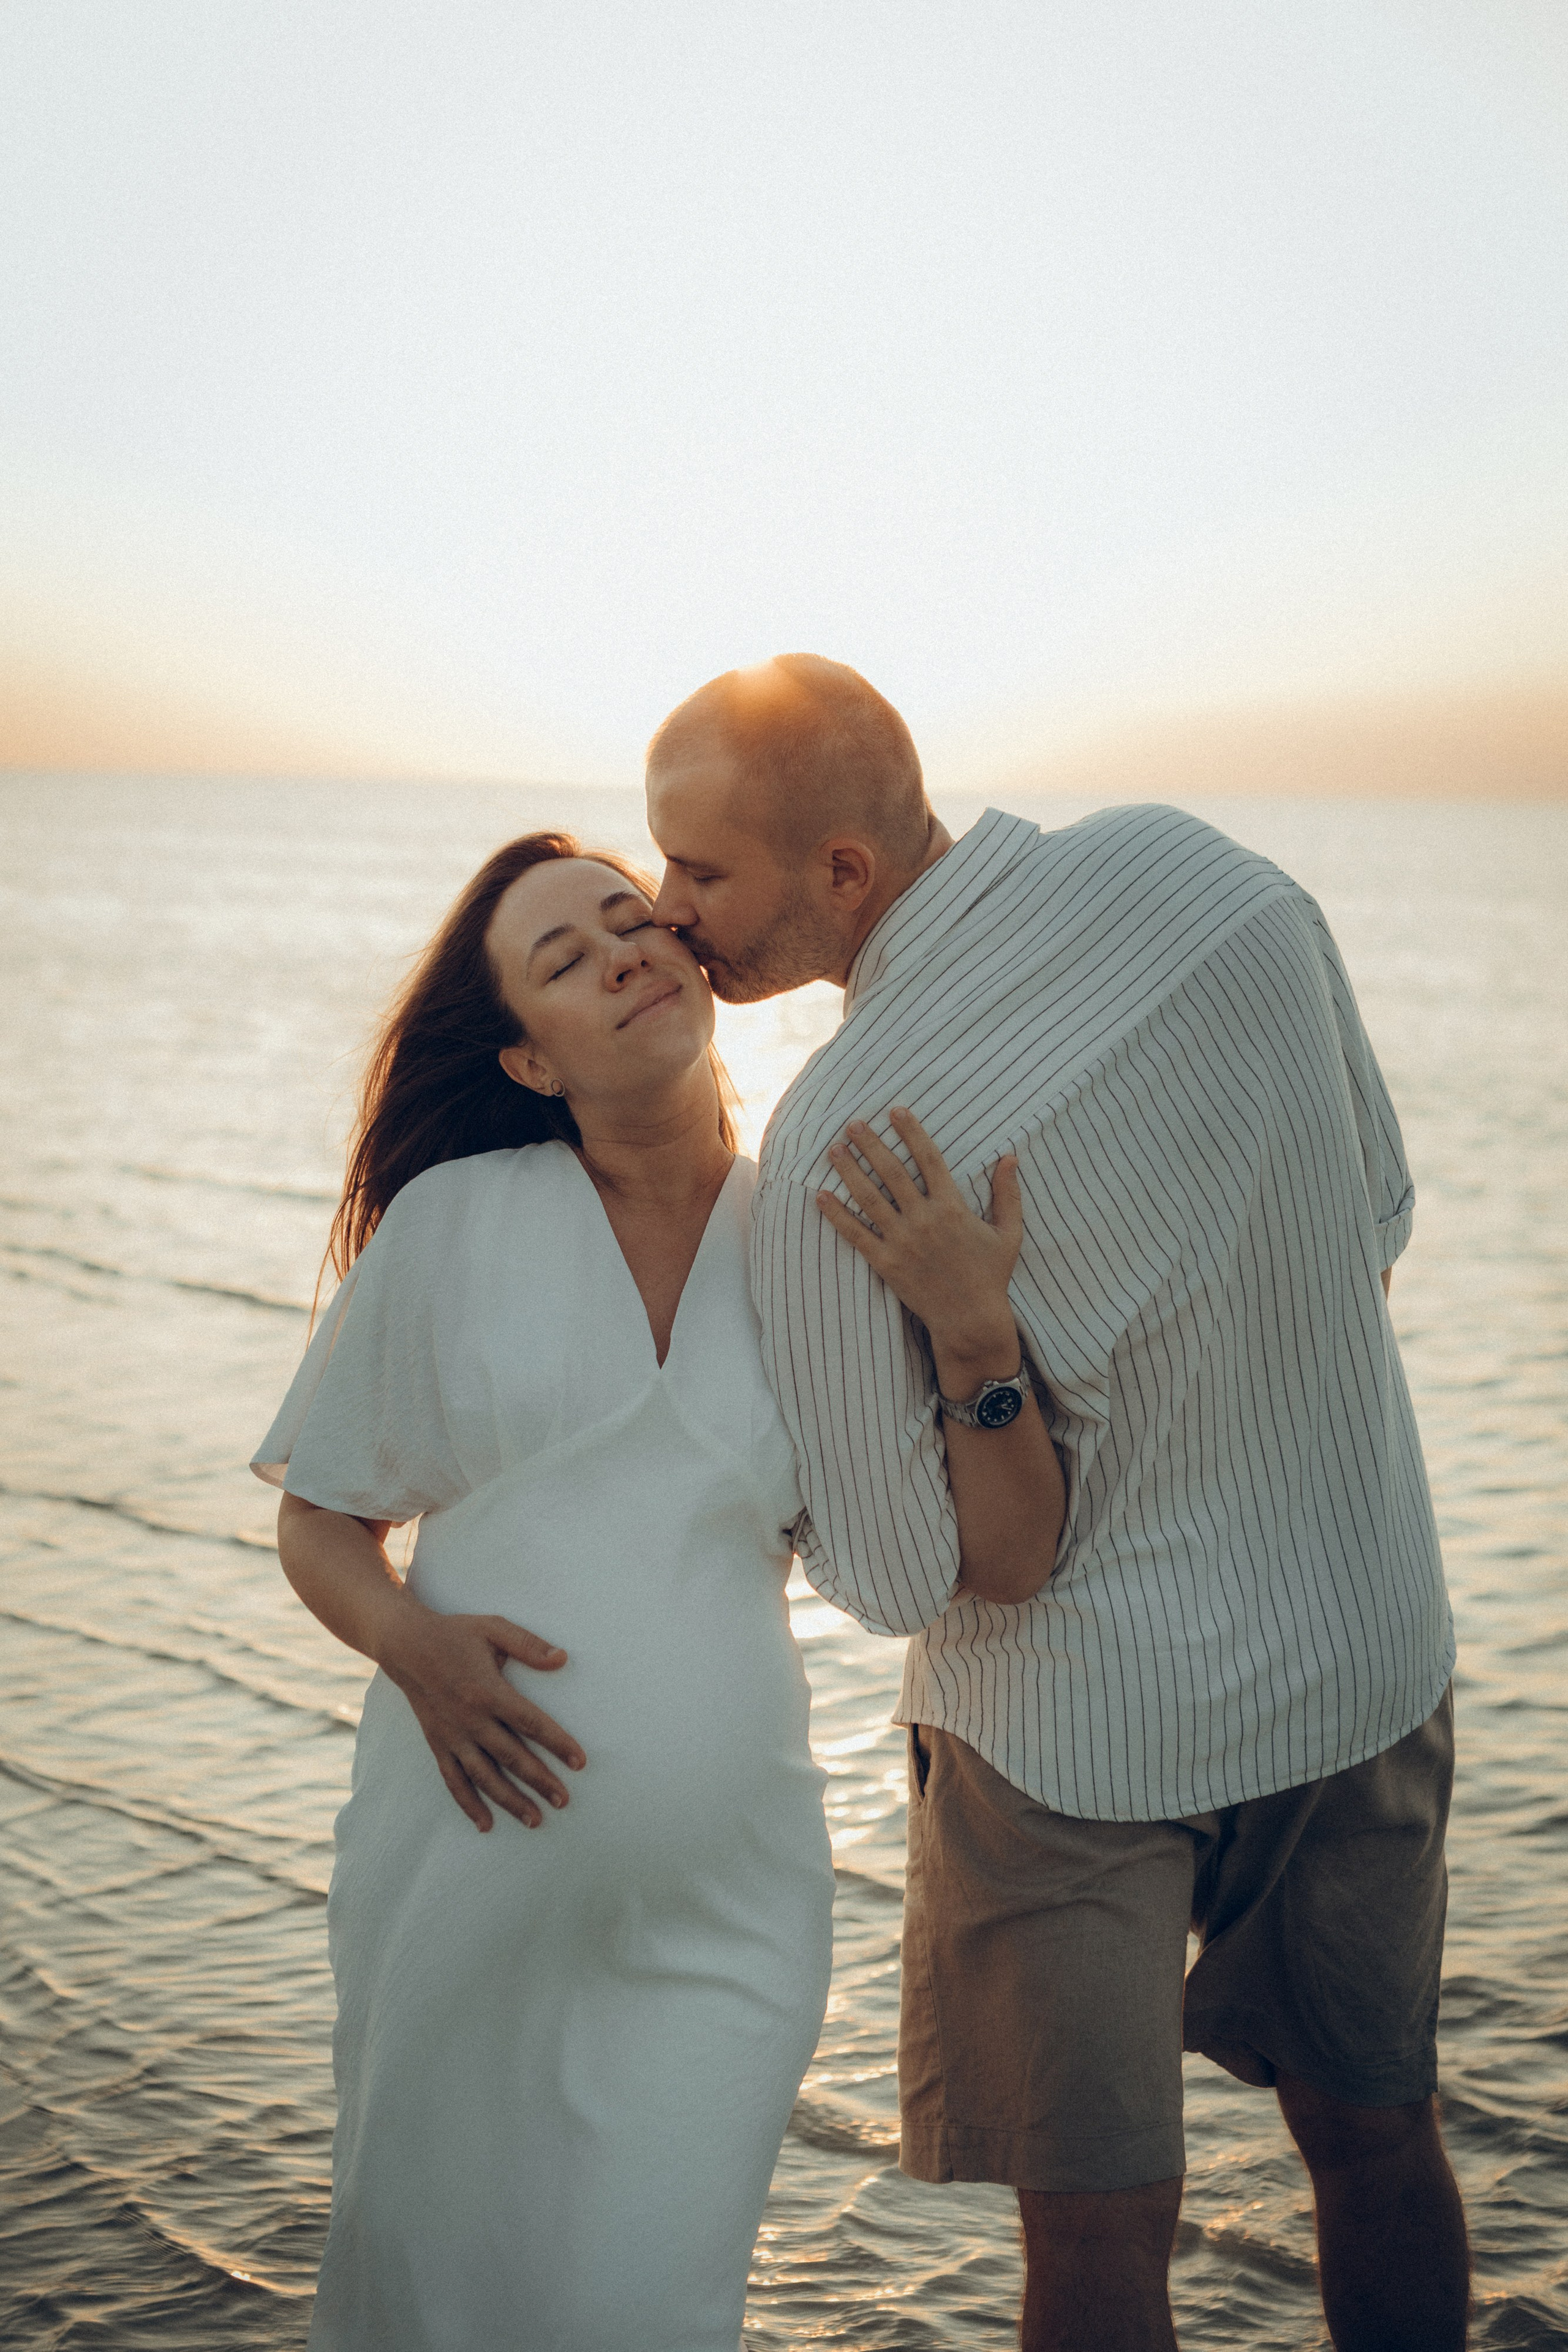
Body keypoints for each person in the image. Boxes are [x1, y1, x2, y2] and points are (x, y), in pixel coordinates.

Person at [641, 655, 1469, 2352]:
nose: (670, 915)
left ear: (842, 877)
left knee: (1095, 2255)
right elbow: (1375, 1221)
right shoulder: (1214, 878)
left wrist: (983, 1339)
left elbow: (902, 1575)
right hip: (1355, 1649)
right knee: (1380, 2144)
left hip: (1069, 1745)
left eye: (701, 874)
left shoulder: (831, 1158)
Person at [251, 827, 1060, 2352]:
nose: (622, 949)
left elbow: (995, 1561)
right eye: (564, 957)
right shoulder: (457, 1226)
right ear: (529, 1060)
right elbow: (320, 1521)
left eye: (632, 921)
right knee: (433, 2303)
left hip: (728, 1904)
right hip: (465, 1879)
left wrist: (975, 1337)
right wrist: (412, 1645)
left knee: (654, 2307)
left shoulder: (812, 1237)